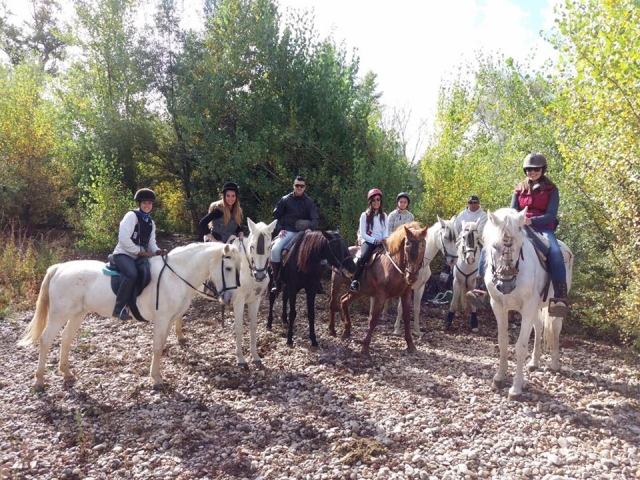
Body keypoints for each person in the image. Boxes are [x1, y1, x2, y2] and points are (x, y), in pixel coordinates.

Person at [467, 153, 569, 316]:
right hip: (519, 227)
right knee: (489, 248)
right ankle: (479, 289)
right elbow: (512, 210)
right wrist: (514, 222)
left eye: (536, 169)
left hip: (543, 227)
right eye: (529, 169)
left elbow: (551, 215)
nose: (532, 172)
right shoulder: (519, 188)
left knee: (555, 253)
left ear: (542, 169)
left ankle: (559, 297)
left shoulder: (551, 189)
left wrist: (531, 220)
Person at [112, 188, 167, 321]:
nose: (147, 206)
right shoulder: (131, 216)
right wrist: (139, 252)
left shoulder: (150, 222)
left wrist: (157, 251)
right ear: (139, 203)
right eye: (144, 203)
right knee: (132, 274)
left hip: (139, 256)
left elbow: (151, 243)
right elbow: (123, 238)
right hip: (123, 254)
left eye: (150, 203)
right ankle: (118, 309)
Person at [270, 176, 320, 294]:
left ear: (305, 187)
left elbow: (315, 217)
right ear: (293, 186)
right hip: (288, 231)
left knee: (318, 251)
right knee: (275, 250)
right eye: (297, 185)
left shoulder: (309, 201)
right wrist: (280, 229)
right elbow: (276, 216)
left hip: (304, 233)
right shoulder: (285, 200)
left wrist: (310, 228)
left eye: (301, 186)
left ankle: (317, 282)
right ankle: (276, 281)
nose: (299, 188)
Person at [349, 188, 389, 292]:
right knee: (364, 256)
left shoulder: (384, 215)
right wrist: (375, 241)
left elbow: (386, 231)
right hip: (369, 241)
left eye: (378, 200)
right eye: (374, 200)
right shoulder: (364, 215)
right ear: (370, 201)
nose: (376, 202)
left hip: (382, 241)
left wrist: (384, 239)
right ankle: (355, 281)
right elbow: (363, 233)